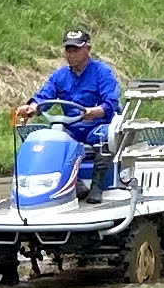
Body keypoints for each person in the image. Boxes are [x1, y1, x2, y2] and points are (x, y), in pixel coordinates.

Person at [32, 26, 123, 195]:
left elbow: (110, 103)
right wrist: (31, 107)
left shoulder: (103, 72)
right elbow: (44, 97)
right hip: (71, 127)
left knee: (104, 136)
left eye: (75, 50)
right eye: (68, 50)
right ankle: (72, 184)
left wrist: (94, 112)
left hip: (96, 125)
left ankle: (97, 187)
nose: (71, 54)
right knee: (51, 138)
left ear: (87, 49)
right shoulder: (59, 76)